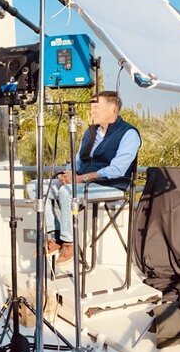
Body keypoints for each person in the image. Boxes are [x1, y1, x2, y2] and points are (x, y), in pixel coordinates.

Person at [44, 90, 141, 265]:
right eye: (91, 107)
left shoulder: (129, 133)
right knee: (37, 187)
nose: (92, 111)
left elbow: (117, 169)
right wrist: (70, 173)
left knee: (67, 191)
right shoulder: (90, 132)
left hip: (111, 185)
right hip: (84, 183)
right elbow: (78, 160)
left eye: (96, 107)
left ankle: (69, 242)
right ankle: (55, 235)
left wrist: (82, 179)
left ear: (113, 108)